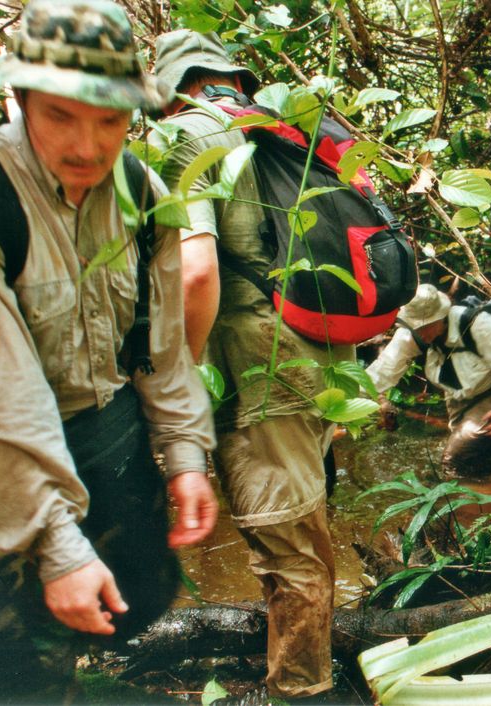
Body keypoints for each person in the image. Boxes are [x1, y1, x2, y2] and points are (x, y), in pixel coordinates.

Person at [0, 1, 218, 701]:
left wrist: (186, 457)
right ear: (19, 99)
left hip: (104, 439)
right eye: (61, 115)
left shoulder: (140, 191)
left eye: (110, 120)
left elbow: (161, 349)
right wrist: (59, 547)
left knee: (120, 607)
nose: (87, 146)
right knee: (3, 663)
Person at [152, 30, 354, 700]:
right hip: (324, 356)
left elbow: (196, 271)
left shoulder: (191, 133)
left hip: (259, 363)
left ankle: (301, 690)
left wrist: (176, 374)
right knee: (301, 525)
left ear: (172, 86)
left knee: (286, 542)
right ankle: (294, 669)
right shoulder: (285, 128)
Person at [367, 284, 491, 475]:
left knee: (455, 459)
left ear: (443, 316)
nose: (421, 333)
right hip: (456, 395)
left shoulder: (478, 324)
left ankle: (476, 495)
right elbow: (382, 372)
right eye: (416, 327)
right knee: (474, 451)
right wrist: (344, 401)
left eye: (427, 325)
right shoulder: (411, 335)